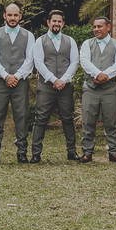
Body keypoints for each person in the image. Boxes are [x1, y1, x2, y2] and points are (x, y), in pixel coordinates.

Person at [0, 2, 35, 164]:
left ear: (20, 17)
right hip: (0, 82)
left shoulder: (29, 36)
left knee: (21, 117)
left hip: (20, 82)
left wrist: (17, 76)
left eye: (16, 15)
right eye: (10, 15)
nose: (12, 18)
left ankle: (22, 152)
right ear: (5, 16)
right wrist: (6, 76)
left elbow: (30, 59)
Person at [30, 10, 79, 163]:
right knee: (41, 119)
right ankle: (36, 153)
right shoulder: (40, 41)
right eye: (54, 21)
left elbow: (74, 62)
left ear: (63, 24)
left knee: (68, 118)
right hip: (46, 86)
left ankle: (72, 152)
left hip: (65, 86)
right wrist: (53, 80)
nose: (56, 24)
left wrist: (63, 80)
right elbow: (38, 63)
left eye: (59, 21)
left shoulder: (70, 41)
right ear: (48, 23)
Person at [79, 16, 116, 163]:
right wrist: (97, 74)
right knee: (88, 121)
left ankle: (113, 152)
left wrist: (105, 75)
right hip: (90, 88)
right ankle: (87, 152)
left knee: (111, 121)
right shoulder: (87, 44)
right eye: (94, 27)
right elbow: (85, 61)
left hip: (109, 88)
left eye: (99, 26)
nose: (96, 29)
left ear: (108, 27)